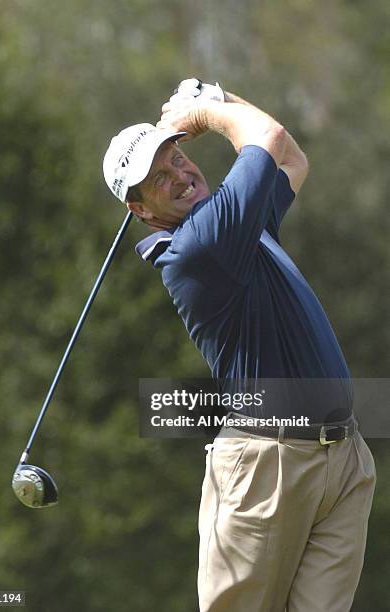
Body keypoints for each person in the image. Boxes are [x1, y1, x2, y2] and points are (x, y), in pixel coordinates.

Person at [103, 79, 376, 612]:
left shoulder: (237, 223)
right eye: (160, 178)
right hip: (266, 467)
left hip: (340, 456)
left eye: (178, 157)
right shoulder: (201, 245)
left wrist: (225, 101)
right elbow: (266, 135)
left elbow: (290, 157)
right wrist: (208, 112)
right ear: (141, 210)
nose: (181, 174)